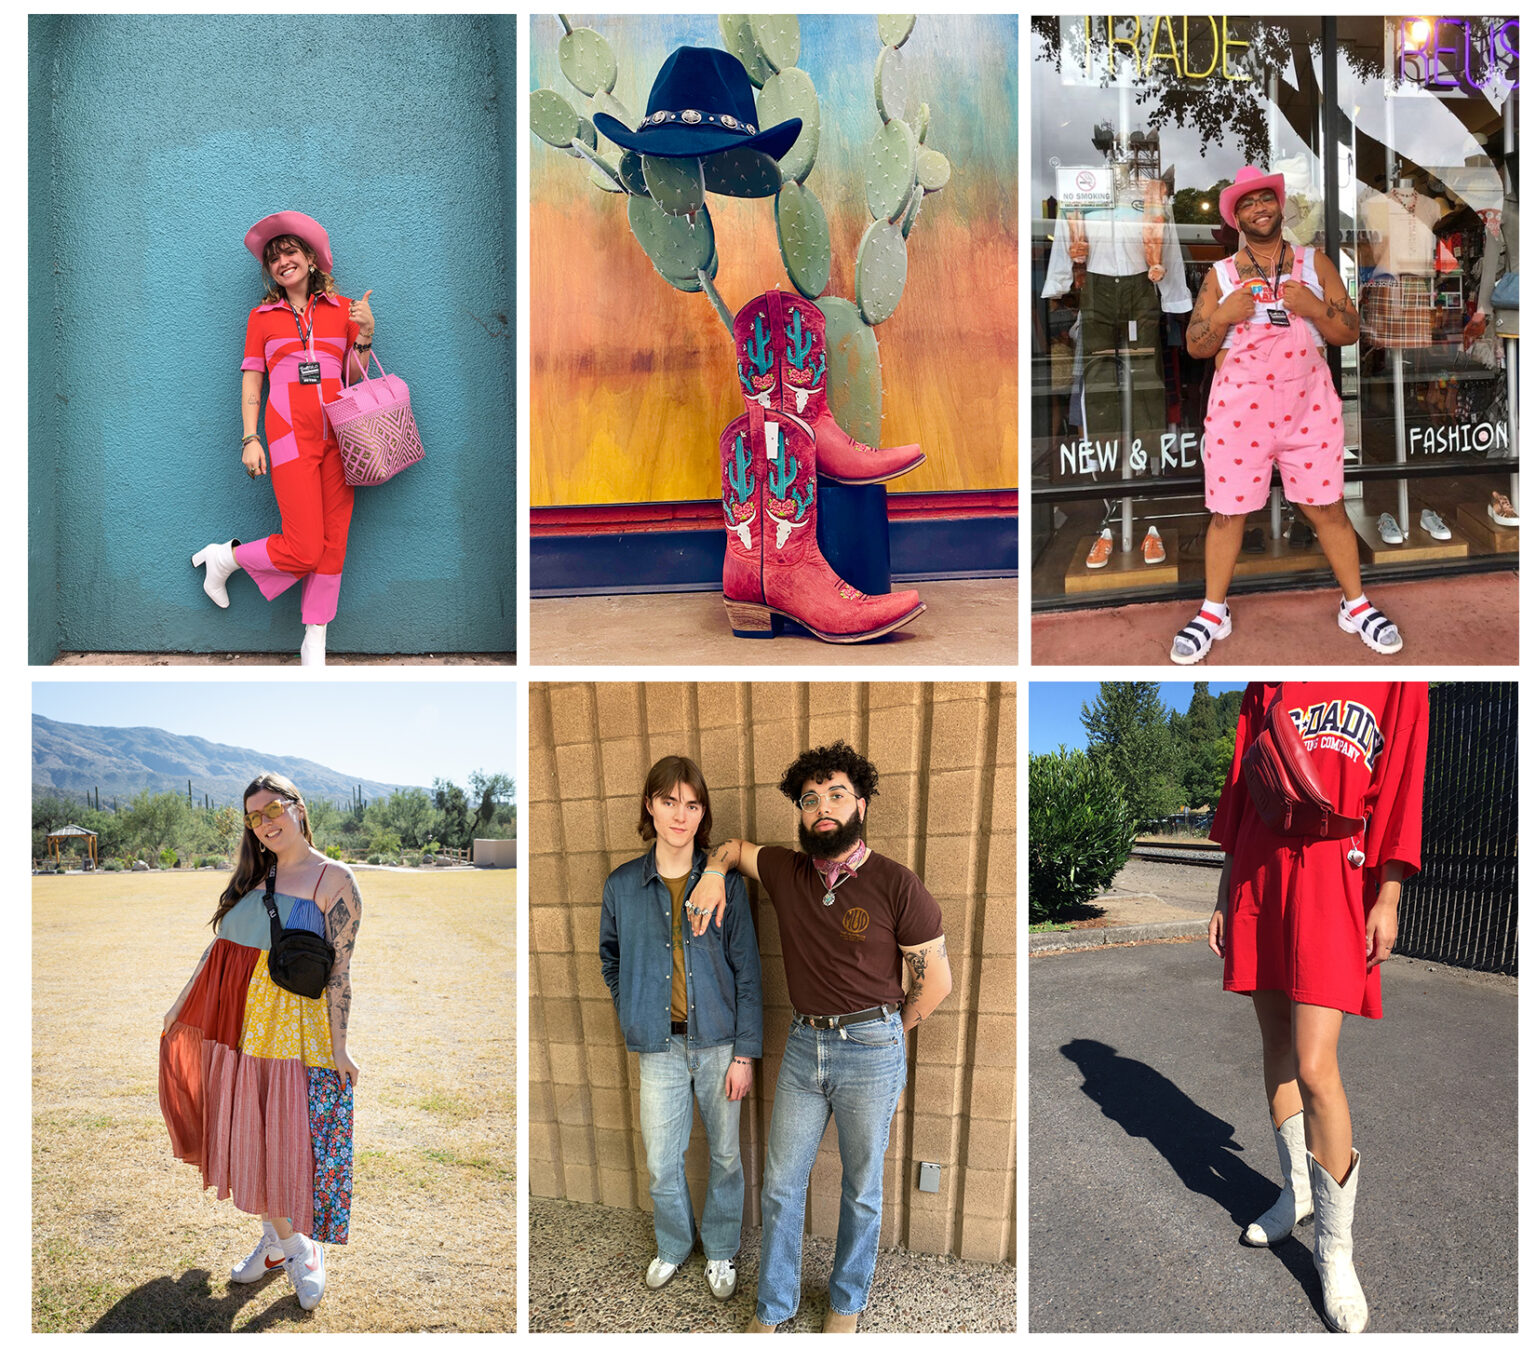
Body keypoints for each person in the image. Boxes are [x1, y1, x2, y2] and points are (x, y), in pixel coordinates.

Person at [689, 740, 952, 1333]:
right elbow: (731, 848)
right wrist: (713, 874)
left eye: (836, 794)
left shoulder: (896, 884)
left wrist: (890, 1032)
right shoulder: (786, 870)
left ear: (861, 804)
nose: (822, 807)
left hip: (872, 1048)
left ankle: (846, 1304)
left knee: (861, 1188)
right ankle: (773, 1306)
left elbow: (936, 982)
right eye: (810, 799)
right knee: (781, 1185)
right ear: (802, 813)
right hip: (804, 1048)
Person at [1207, 683, 1428, 1333]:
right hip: (1260, 869)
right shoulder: (1267, 678)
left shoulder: (1396, 678)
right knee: (1276, 1047)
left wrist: (1389, 895)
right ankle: (1296, 1193)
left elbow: (1402, 781)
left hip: (1337, 866)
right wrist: (1222, 891)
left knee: (1314, 1064)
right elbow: (1242, 785)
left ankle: (1335, 1250)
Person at [1171, 166, 1404, 664]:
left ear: (1279, 205)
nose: (1259, 208)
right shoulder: (1220, 276)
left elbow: (1350, 331)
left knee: (1328, 508)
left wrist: (1315, 308)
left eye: (1266, 199)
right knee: (1227, 513)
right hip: (1239, 413)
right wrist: (1222, 315)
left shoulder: (1314, 263)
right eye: (1247, 203)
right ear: (1236, 217)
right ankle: (1213, 611)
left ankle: (1356, 605)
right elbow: (1195, 344)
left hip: (1308, 409)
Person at [159, 772, 362, 1311]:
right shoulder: (255, 877)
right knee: (253, 1135)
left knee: (289, 1138)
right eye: (254, 816)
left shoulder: (334, 880)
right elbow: (219, 951)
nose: (266, 823)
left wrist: (340, 1047)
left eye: (274, 809)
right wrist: (181, 1004)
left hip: (295, 1033)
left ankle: (298, 1248)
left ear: (298, 807)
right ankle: (281, 1244)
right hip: (242, 1030)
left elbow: (340, 972)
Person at [599, 756, 762, 1302]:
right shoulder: (623, 885)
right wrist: (632, 1008)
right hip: (659, 1046)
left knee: (726, 1156)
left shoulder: (726, 885)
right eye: (669, 801)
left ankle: (720, 1248)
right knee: (661, 1160)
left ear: (702, 813)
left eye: (692, 805)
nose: (680, 815)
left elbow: (748, 973)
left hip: (719, 1044)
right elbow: (610, 959)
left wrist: (745, 1054)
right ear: (650, 805)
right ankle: (673, 1244)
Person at [192, 211, 376, 667]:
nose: (282, 262)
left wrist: (366, 334)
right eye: (273, 258)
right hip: (289, 434)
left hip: (341, 436)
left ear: (311, 259)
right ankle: (226, 558)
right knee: (305, 547)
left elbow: (353, 377)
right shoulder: (262, 317)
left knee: (334, 541)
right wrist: (249, 438)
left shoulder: (344, 309)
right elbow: (252, 380)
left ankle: (315, 639)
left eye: (290, 252)